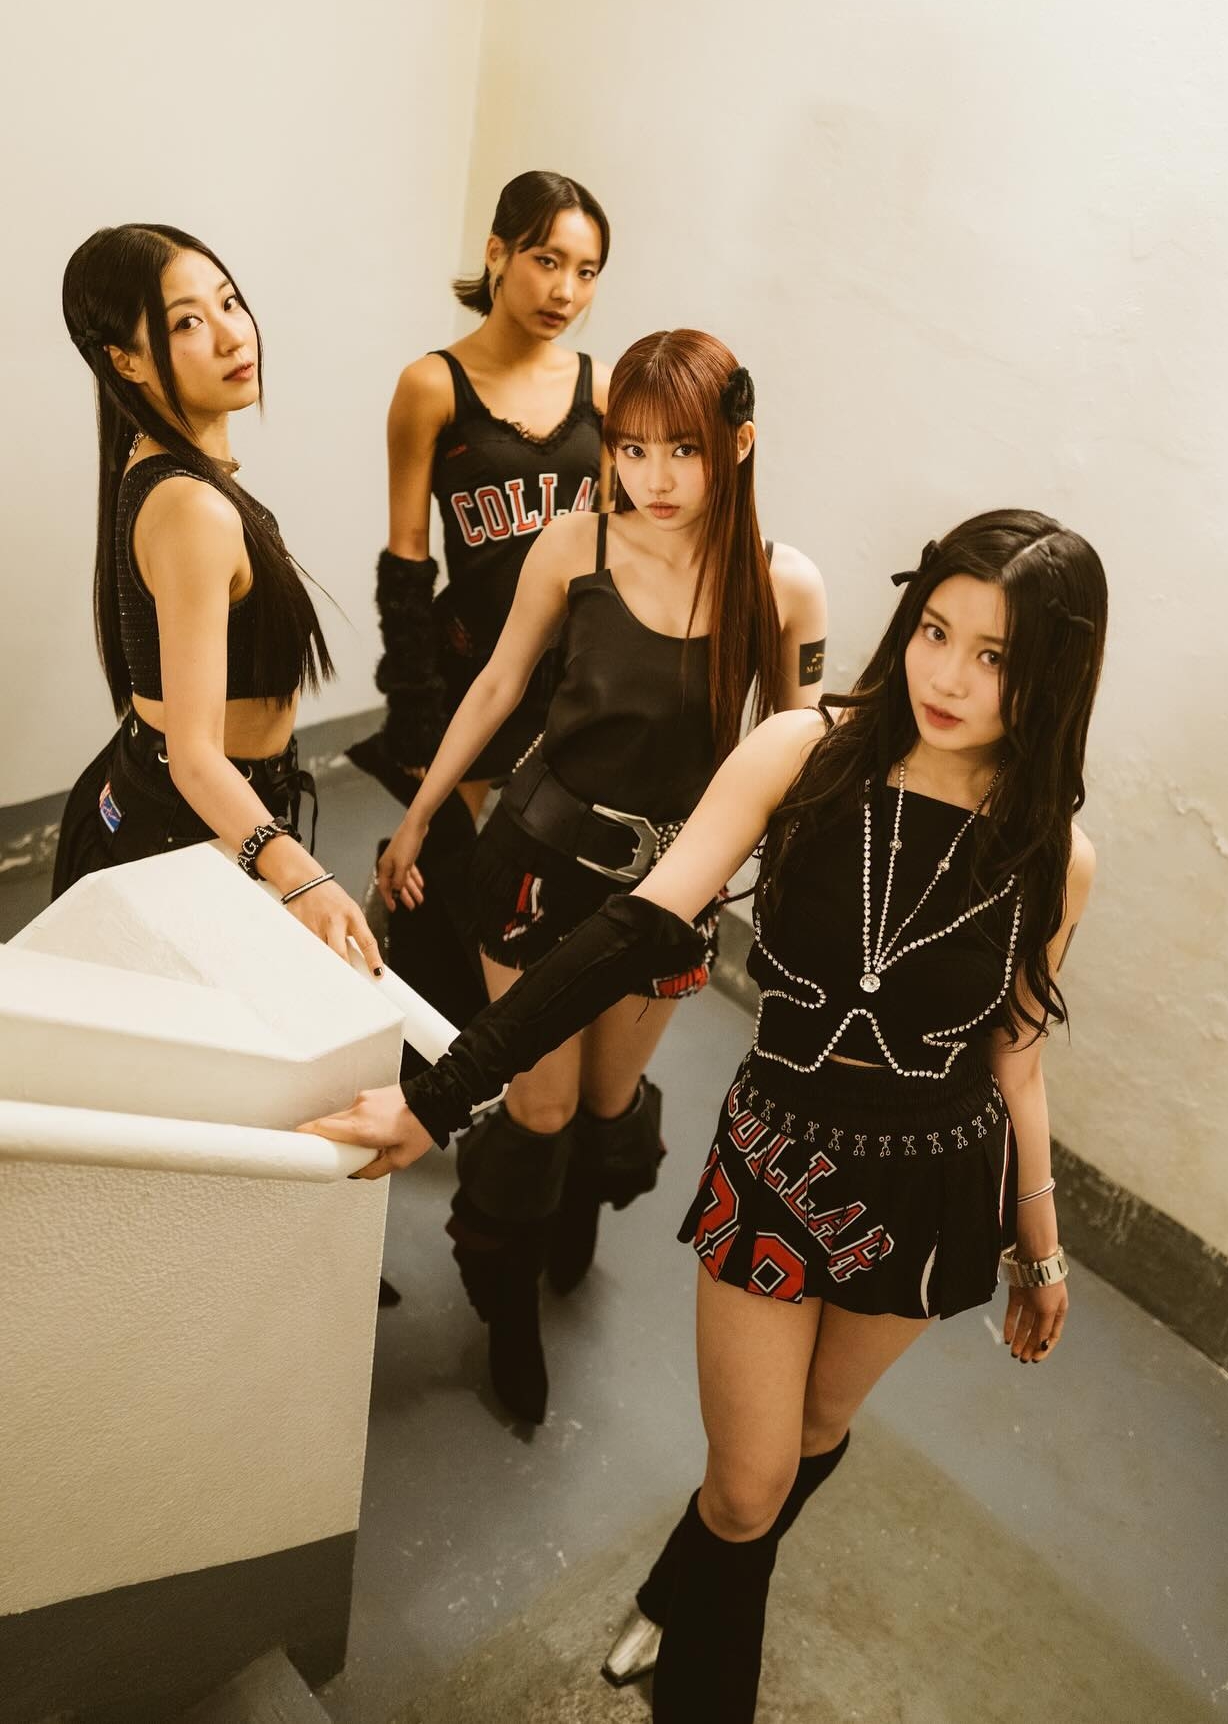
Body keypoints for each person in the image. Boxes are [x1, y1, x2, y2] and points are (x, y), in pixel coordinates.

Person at [301, 509, 1107, 1722]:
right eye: (936, 630)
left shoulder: (1056, 855)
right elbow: (631, 926)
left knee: (810, 1438)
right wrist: (443, 1092)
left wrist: (1039, 1249)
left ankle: (676, 1588)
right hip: (781, 1158)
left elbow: (1017, 1065)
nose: (947, 676)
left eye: (994, 656)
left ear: (1053, 677)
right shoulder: (803, 752)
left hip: (932, 1186)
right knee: (748, 1486)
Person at [371, 328, 828, 1423]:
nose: (652, 478)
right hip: (535, 863)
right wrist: (421, 813)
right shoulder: (574, 545)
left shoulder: (784, 586)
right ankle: (508, 1303)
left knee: (606, 1104)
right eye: (630, 448)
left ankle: (572, 1208)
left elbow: (798, 748)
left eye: (683, 450)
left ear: (739, 445)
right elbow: (497, 685)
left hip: (668, 897)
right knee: (540, 1104)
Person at [55, 224, 381, 978]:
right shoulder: (192, 506)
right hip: (187, 821)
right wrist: (301, 875)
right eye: (186, 323)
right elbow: (197, 756)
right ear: (126, 360)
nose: (234, 335)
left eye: (229, 302)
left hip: (186, 798)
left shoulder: (162, 465)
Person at [347, 171, 612, 1031]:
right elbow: (407, 559)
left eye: (587, 271)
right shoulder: (433, 385)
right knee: (438, 865)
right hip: (471, 665)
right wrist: (415, 715)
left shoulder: (601, 389)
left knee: (541, 870)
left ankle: (509, 1043)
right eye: (547, 260)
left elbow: (616, 550)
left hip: (567, 673)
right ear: (497, 253)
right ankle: (412, 1036)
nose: (565, 291)